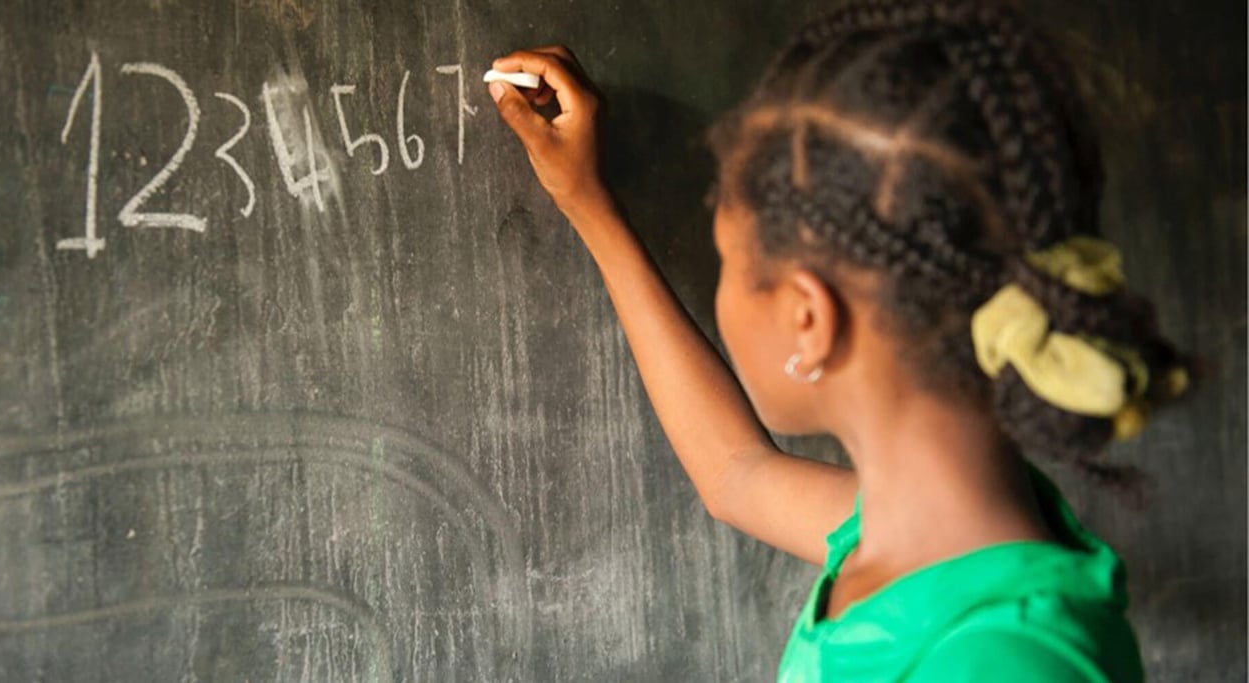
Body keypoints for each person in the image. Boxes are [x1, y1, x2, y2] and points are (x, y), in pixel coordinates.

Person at [485, 1, 1191, 680]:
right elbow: (734, 472)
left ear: (808, 320)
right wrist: (590, 207)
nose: (723, 283)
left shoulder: (1008, 661)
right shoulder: (910, 532)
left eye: (730, 261)